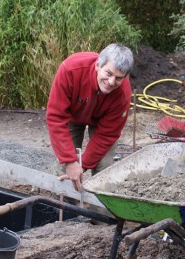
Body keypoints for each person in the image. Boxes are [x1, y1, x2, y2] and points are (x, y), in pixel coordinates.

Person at [46, 43, 134, 192]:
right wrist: (70, 161)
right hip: (72, 115)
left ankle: (100, 209)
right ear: (98, 65)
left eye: (119, 78)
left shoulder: (122, 95)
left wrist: (83, 165)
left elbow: (107, 134)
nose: (112, 82)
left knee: (104, 167)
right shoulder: (71, 69)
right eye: (108, 73)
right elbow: (56, 117)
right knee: (65, 166)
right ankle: (67, 205)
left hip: (102, 121)